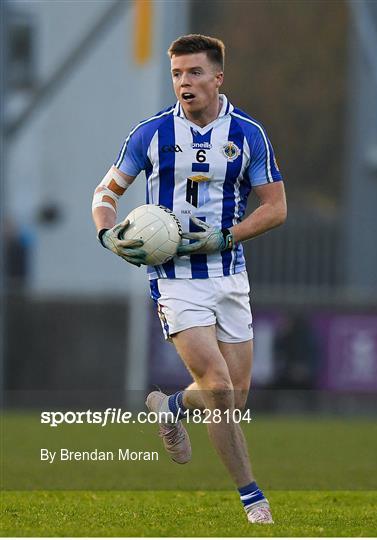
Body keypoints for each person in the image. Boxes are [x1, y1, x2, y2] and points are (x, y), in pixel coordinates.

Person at [92, 34, 287, 524]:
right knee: (219, 388)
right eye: (177, 73)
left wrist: (224, 238)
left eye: (195, 72)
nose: (185, 82)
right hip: (174, 280)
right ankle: (253, 500)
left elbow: (276, 208)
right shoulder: (151, 134)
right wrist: (106, 234)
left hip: (229, 275)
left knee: (235, 397)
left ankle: (173, 405)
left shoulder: (248, 134)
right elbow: (105, 192)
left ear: (218, 77)